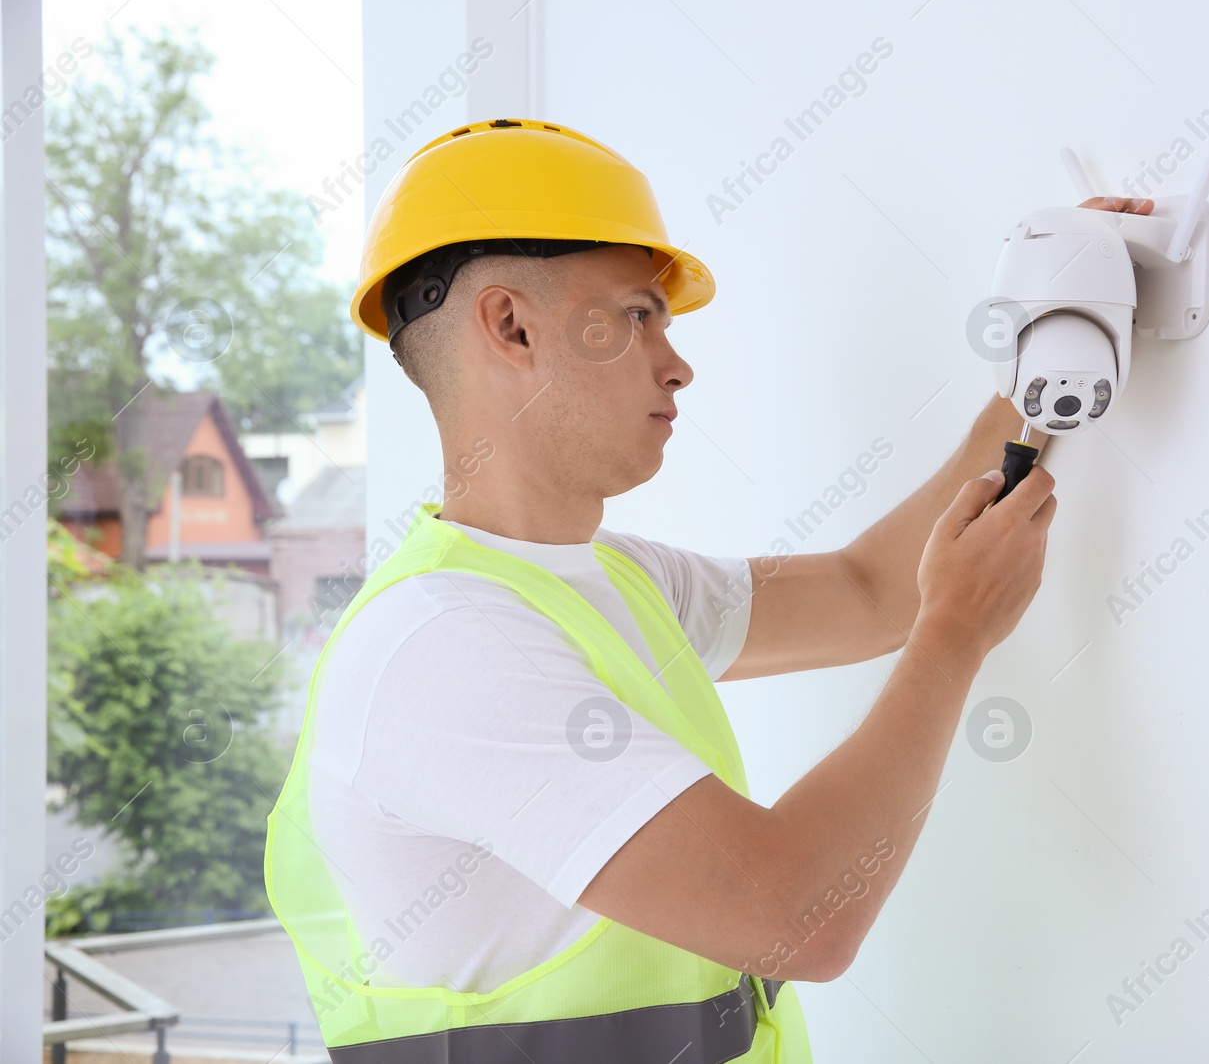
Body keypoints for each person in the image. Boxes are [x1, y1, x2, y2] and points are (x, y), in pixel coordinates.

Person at [264, 117, 1152, 1063]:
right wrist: (956, 637)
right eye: (638, 314)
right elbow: (795, 913)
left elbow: (869, 590)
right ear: (512, 326)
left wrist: (1048, 349)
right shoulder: (442, 649)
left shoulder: (620, 582)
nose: (676, 361)